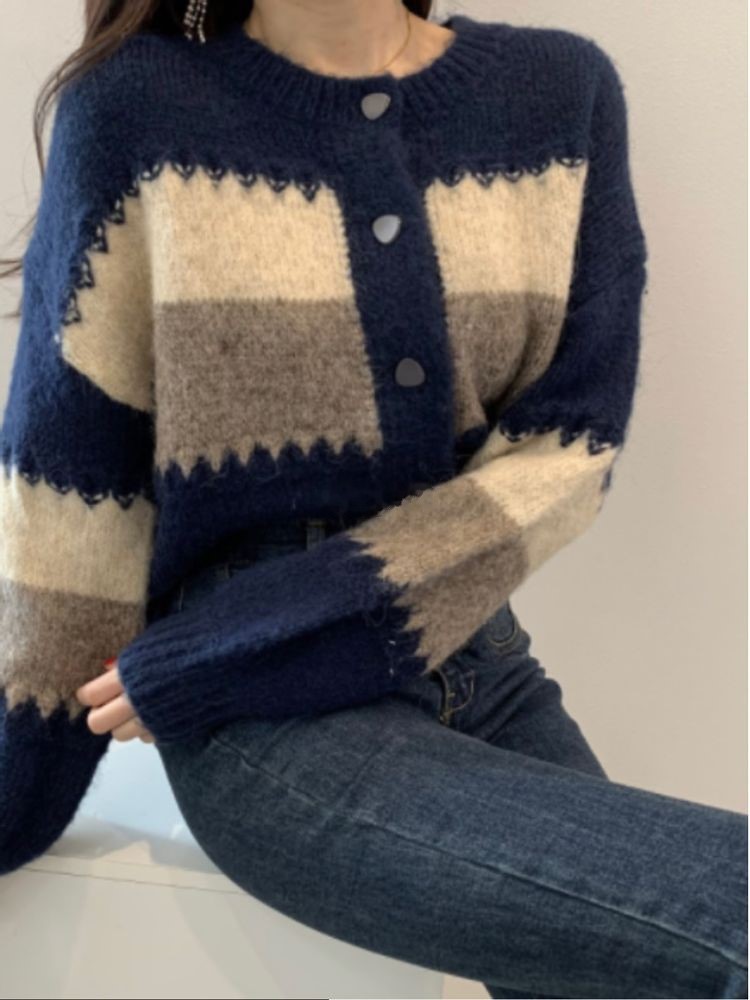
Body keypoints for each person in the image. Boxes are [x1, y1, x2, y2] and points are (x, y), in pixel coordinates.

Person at [0, 2, 746, 996]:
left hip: (477, 658)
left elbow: (567, 450)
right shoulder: (136, 110)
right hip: (263, 717)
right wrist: (18, 789)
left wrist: (248, 640)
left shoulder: (559, 96)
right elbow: (71, 488)